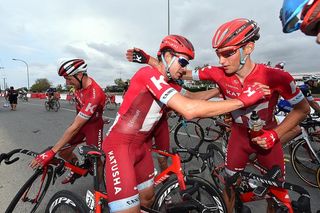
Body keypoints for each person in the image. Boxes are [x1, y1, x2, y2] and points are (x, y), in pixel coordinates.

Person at [127, 19, 310, 213]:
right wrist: (151, 60)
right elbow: (179, 71)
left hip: (269, 138)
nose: (221, 61)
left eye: (227, 53)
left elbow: (302, 109)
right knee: (229, 187)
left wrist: (275, 134)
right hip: (238, 138)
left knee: (276, 194)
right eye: (218, 54)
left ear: (248, 48)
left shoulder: (277, 76)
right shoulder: (217, 73)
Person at [104, 34, 269, 213]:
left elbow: (193, 97)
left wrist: (220, 89)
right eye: (183, 62)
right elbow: (189, 110)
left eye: (187, 63)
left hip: (142, 146)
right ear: (167, 57)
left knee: (148, 198)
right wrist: (243, 100)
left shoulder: (170, 83)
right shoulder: (148, 74)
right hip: (120, 145)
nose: (185, 68)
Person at [30, 59, 106, 184]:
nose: (67, 83)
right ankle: (76, 168)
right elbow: (78, 116)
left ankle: (100, 189)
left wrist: (52, 151)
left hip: (93, 126)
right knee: (64, 152)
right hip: (81, 124)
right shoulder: (78, 85)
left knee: (96, 161)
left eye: (69, 79)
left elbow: (76, 126)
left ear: (80, 75)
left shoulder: (95, 93)